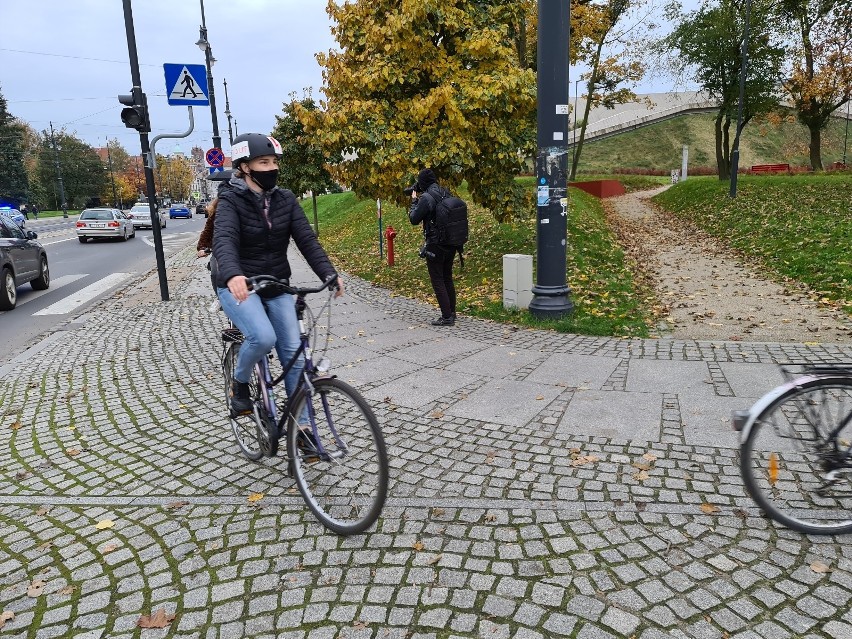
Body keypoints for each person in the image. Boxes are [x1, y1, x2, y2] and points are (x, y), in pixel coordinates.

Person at [213, 133, 344, 416]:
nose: (271, 168)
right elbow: (224, 240)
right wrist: (234, 274)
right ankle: (240, 383)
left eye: (274, 162)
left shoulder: (285, 199)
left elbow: (307, 239)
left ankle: (304, 429)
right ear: (245, 167)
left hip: (275, 282)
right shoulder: (230, 201)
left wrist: (329, 273)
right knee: (262, 337)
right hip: (238, 283)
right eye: (263, 162)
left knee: (295, 357)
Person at [408, 168, 457, 326]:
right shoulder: (445, 192)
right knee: (447, 276)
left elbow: (414, 219)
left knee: (437, 279)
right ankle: (452, 312)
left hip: (436, 243)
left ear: (422, 183)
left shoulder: (426, 198)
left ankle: (447, 317)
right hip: (451, 241)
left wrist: (414, 201)